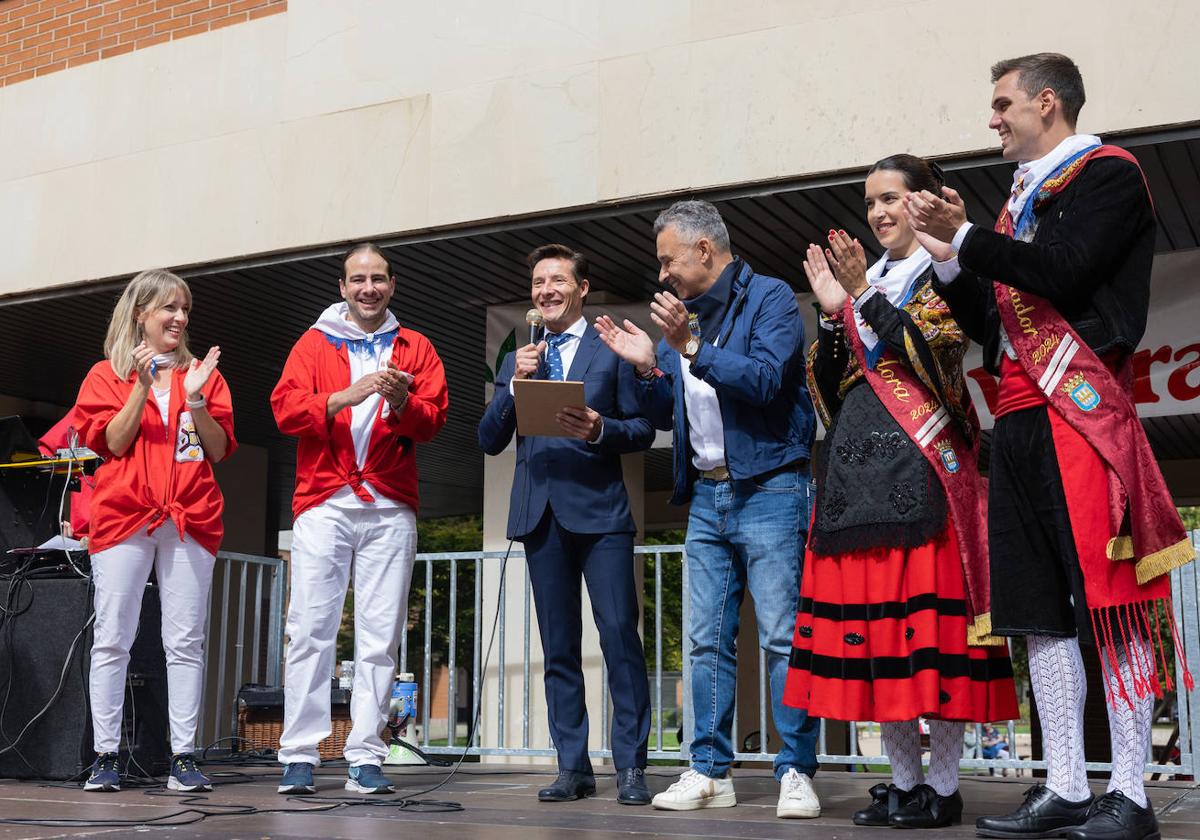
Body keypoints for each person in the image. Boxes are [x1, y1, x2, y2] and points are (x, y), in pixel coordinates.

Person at [906, 53, 1194, 840]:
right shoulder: (1014, 205)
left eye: (1002, 104)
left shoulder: (1109, 174)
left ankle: (1129, 794)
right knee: (1038, 616)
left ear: (1046, 101)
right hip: (1022, 420)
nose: (992, 118)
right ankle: (1065, 785)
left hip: (1083, 417)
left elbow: (1065, 275)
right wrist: (948, 256)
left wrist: (966, 234)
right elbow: (994, 328)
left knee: (1111, 609)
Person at [783, 155, 1018, 830]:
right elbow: (831, 389)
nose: (879, 213)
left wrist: (859, 297)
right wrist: (833, 319)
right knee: (882, 647)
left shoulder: (945, 270)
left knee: (932, 651)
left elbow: (930, 361)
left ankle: (943, 790)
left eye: (890, 198)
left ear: (920, 201)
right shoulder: (873, 279)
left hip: (925, 480)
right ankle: (906, 785)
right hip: (857, 483)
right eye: (871, 203)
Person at [595, 200, 821, 819]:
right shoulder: (680, 321)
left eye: (668, 258)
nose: (662, 273)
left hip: (771, 487)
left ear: (703, 250)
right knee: (704, 642)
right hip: (706, 494)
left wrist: (688, 346)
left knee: (780, 634)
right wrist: (650, 365)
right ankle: (709, 771)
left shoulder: (770, 298)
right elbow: (679, 405)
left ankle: (796, 768)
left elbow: (767, 382)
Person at [478, 244, 655, 805]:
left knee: (621, 640)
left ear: (581, 288)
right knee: (558, 648)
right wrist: (511, 388)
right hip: (540, 518)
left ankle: (630, 767)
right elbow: (488, 440)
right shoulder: (519, 357)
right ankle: (572, 766)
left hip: (601, 517)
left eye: (557, 280)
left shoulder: (608, 350)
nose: (545, 290)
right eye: (537, 282)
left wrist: (601, 428)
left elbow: (644, 430)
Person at [271, 243, 448, 795]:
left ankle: (366, 754)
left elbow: (434, 421)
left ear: (393, 285)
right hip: (324, 501)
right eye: (357, 279)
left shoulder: (414, 347)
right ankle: (300, 752)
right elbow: (284, 409)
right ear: (343, 287)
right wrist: (344, 396)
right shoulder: (313, 342)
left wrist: (401, 403)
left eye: (377, 279)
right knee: (310, 631)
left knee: (380, 637)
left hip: (390, 502)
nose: (367, 288)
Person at [74, 269, 236, 793]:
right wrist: (142, 390)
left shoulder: (203, 375)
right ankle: (106, 755)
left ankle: (183, 757)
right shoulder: (106, 375)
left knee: (185, 641)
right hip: (126, 516)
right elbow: (113, 443)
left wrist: (193, 400)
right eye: (169, 308)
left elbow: (217, 448)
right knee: (113, 637)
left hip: (190, 517)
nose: (180, 318)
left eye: (185, 308)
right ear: (141, 314)